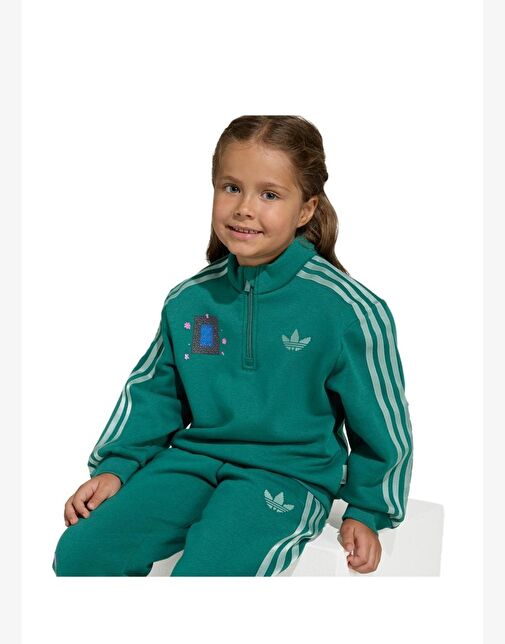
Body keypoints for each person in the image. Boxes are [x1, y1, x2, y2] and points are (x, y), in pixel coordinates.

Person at [52, 115, 414, 577]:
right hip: (191, 463)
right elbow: (154, 392)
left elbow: (381, 420)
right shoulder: (189, 299)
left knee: (208, 575)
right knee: (81, 553)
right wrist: (116, 466)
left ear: (306, 209)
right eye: (231, 188)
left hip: (287, 477)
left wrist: (368, 509)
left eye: (269, 195)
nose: (244, 208)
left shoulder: (348, 309)